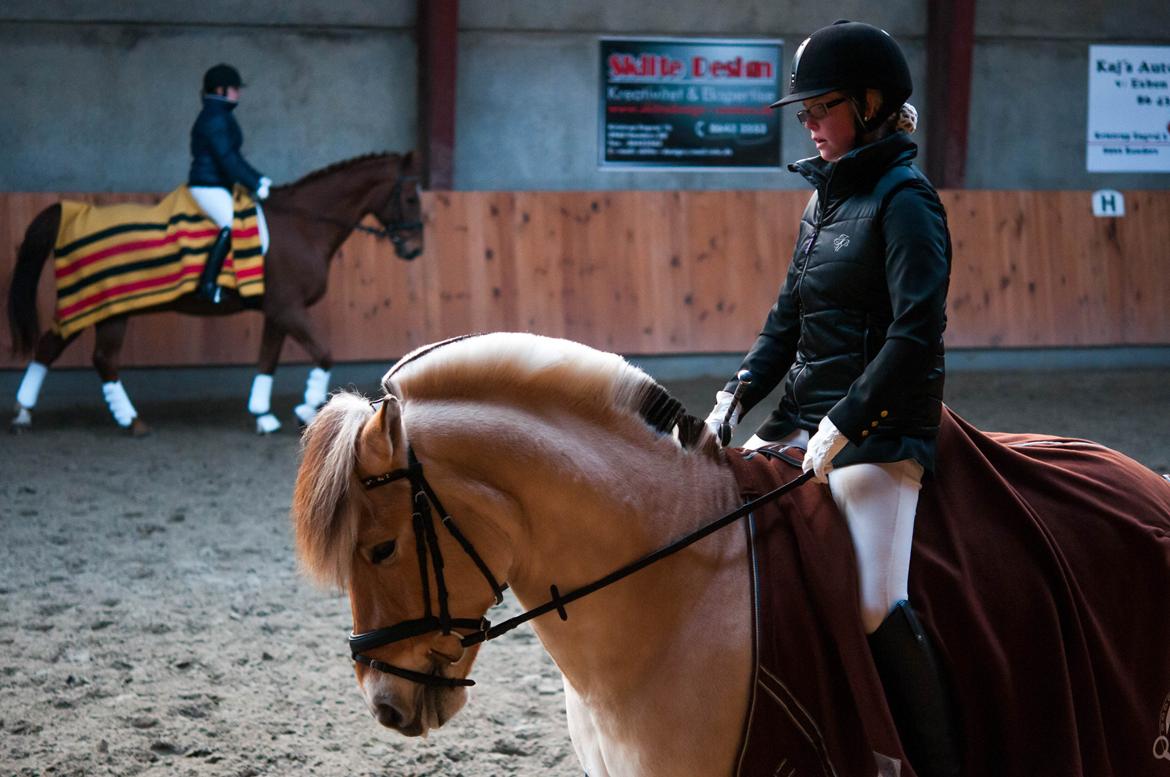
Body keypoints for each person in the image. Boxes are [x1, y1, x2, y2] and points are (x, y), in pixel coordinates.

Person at [704, 20, 959, 777]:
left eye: (821, 108)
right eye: (804, 112)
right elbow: (788, 321)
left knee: (876, 599)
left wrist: (848, 419)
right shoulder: (821, 204)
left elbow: (916, 332)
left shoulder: (908, 202)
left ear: (873, 104)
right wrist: (738, 392)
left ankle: (935, 760)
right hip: (801, 418)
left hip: (882, 434)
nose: (809, 124)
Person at [188, 63, 271, 302]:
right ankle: (208, 284)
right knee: (232, 224)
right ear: (221, 90)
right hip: (207, 186)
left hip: (218, 183)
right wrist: (255, 184)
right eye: (235, 88)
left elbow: (234, 157)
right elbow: (227, 159)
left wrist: (258, 179)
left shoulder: (221, 116)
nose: (239, 94)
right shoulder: (215, 118)